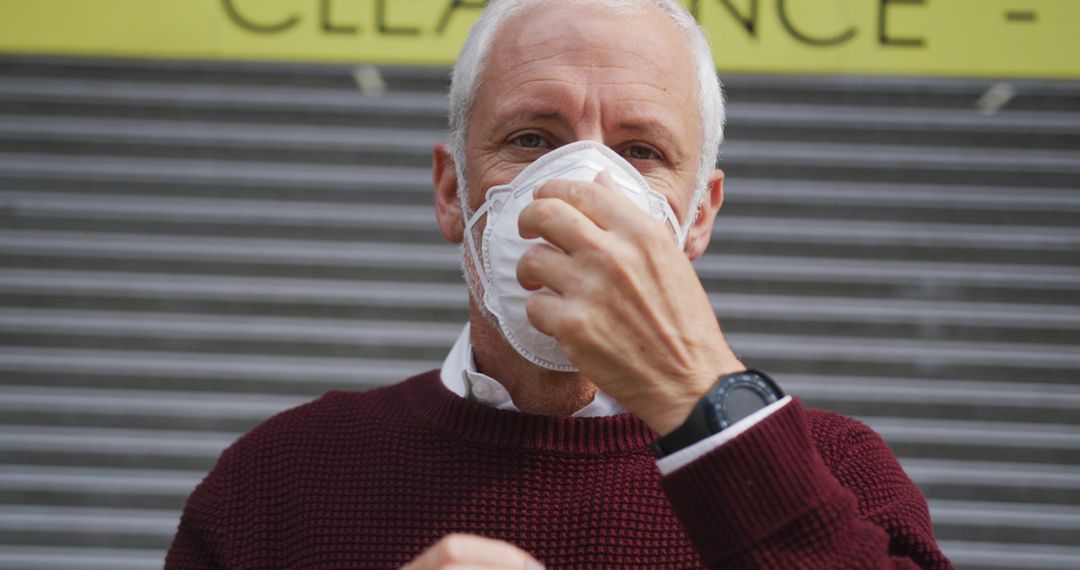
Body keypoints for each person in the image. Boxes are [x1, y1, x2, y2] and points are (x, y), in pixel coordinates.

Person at [166, 0, 953, 568]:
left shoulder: (833, 474)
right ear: (453, 192)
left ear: (700, 215)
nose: (581, 187)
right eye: (531, 139)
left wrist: (701, 397)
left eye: (641, 152)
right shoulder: (280, 482)